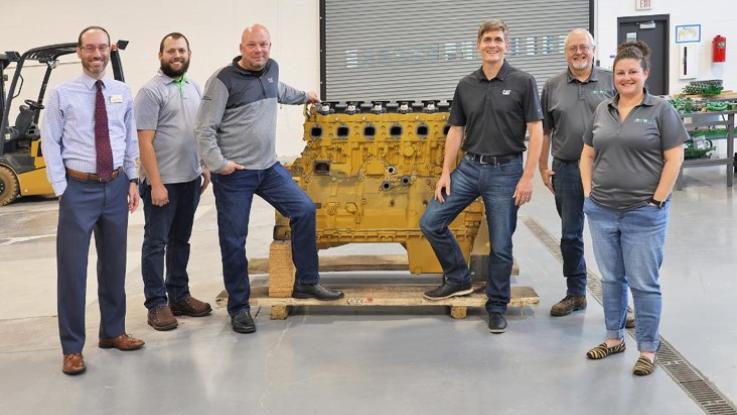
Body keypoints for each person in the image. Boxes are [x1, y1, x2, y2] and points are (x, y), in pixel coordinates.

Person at [195, 23, 344, 334]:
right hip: (235, 174)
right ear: (241, 47)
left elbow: (277, 90)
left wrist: (305, 96)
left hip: (268, 168)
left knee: (303, 210)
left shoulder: (271, 69)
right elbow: (204, 128)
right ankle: (239, 307)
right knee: (234, 240)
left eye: (264, 45)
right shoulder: (222, 81)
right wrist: (218, 164)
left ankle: (306, 282)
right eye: (253, 45)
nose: (259, 51)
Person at [420, 19, 544, 334]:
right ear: (478, 45)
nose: (493, 44)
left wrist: (528, 176)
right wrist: (446, 172)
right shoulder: (466, 85)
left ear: (506, 45)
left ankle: (497, 305)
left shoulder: (523, 82)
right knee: (431, 221)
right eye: (487, 39)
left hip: (506, 171)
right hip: (471, 168)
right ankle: (459, 278)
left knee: (501, 245)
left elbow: (536, 130)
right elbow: (456, 131)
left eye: (498, 39)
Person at [41, 26, 144, 376]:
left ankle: (113, 331)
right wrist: (61, 188)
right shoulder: (62, 94)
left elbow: (129, 138)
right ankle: (72, 348)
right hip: (78, 189)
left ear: (108, 49)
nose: (96, 54)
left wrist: (131, 179)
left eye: (102, 48)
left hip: (115, 186)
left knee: (114, 263)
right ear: (79, 51)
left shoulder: (121, 92)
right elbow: (50, 141)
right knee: (73, 269)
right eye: (90, 48)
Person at [580, 41, 686, 376]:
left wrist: (657, 200)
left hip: (644, 212)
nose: (626, 78)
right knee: (611, 279)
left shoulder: (661, 110)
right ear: (613, 77)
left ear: (645, 74)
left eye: (632, 72)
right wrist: (588, 194)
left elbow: (674, 157)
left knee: (643, 282)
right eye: (620, 73)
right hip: (602, 211)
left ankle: (647, 349)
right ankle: (613, 339)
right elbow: (586, 154)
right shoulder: (602, 110)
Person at [134, 32, 212, 331]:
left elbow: (199, 131)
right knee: (156, 243)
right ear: (160, 55)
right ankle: (157, 304)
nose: (177, 55)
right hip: (162, 183)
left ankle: (179, 296)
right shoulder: (151, 92)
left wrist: (203, 166)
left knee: (181, 241)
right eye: (171, 51)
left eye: (181, 50)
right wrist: (156, 183)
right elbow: (144, 142)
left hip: (189, 180)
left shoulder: (193, 86)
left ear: (189, 53)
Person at [539, 29, 614, 317]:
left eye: (584, 47)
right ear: (565, 53)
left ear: (593, 50)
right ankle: (575, 293)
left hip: (606, 170)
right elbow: (545, 131)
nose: (579, 52)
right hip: (567, 170)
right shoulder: (553, 86)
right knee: (570, 235)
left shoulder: (611, 80)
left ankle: (617, 300)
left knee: (611, 235)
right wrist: (543, 168)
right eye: (573, 48)